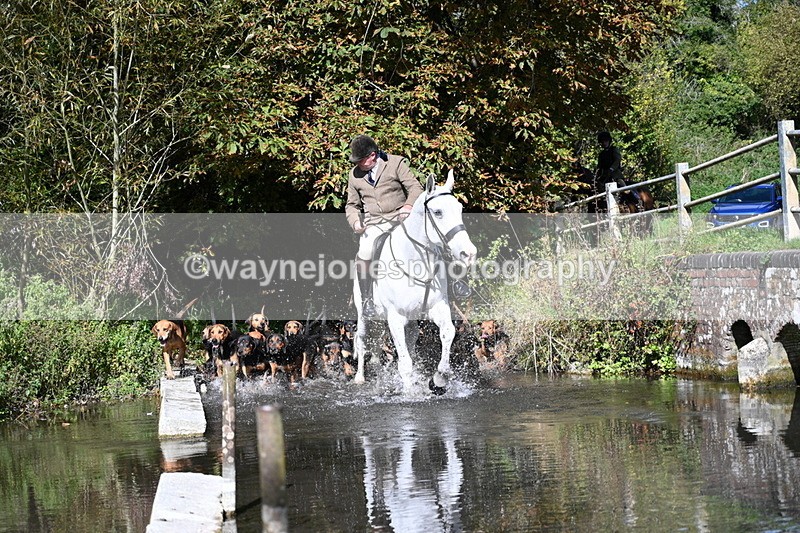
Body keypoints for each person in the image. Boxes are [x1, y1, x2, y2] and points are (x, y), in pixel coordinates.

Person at [345, 134, 424, 318]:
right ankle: (367, 300)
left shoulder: (396, 163)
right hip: (376, 223)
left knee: (433, 238)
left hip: (402, 218)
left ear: (372, 155)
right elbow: (352, 205)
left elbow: (415, 188)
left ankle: (456, 283)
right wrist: (355, 221)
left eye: (361, 160)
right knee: (364, 251)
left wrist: (408, 206)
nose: (358, 165)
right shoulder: (354, 175)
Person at [596, 131, 642, 209]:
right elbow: (599, 165)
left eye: (605, 141)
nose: (604, 143)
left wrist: (611, 169)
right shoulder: (601, 154)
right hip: (604, 175)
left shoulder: (614, 149)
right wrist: (596, 174)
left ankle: (636, 199)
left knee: (623, 186)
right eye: (602, 141)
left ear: (609, 141)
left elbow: (617, 160)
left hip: (615, 174)